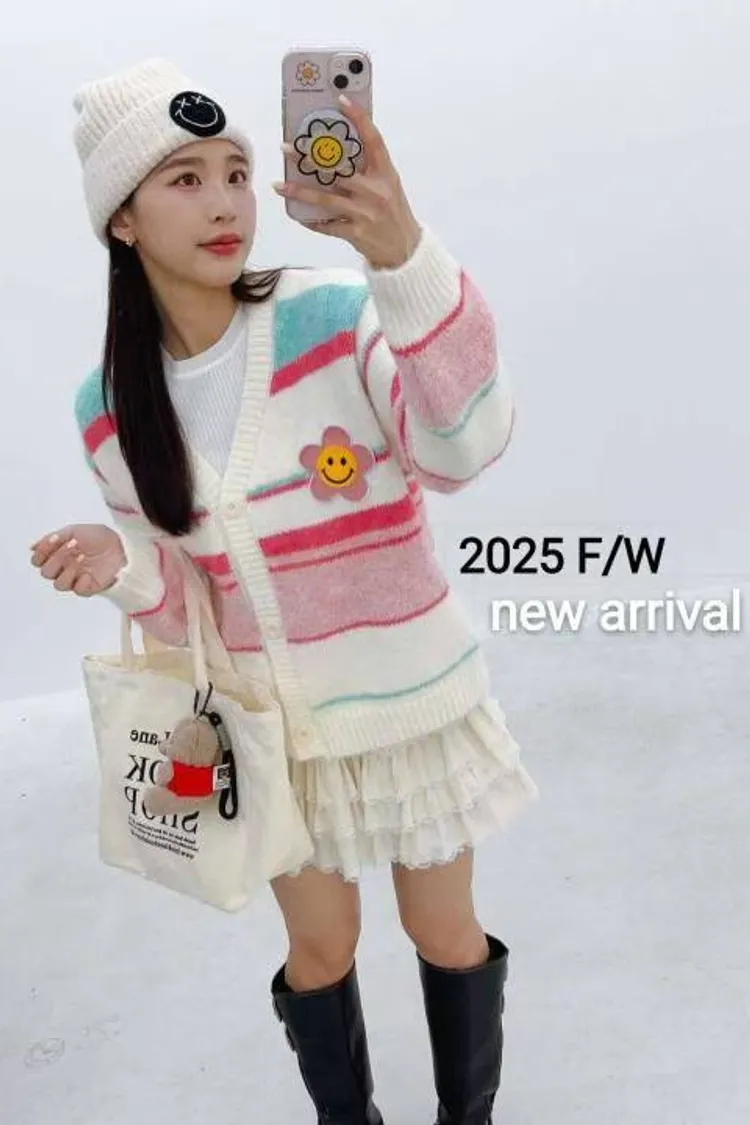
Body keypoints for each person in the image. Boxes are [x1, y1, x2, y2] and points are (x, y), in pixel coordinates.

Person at [30, 57, 539, 1125]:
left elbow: (462, 447)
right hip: (277, 736)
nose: (225, 203)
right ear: (120, 220)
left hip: (411, 707)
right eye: (185, 180)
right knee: (320, 950)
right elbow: (189, 616)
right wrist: (123, 567)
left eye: (235, 172)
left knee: (444, 933)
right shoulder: (110, 405)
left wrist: (403, 257)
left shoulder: (335, 314)